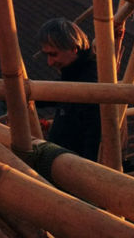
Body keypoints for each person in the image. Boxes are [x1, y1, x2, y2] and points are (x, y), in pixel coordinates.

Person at [38, 17, 101, 161]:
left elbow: (94, 142)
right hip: (65, 165)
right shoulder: (76, 73)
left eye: (53, 54)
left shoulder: (91, 85)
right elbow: (59, 93)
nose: (49, 62)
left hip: (74, 171)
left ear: (74, 48)